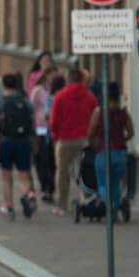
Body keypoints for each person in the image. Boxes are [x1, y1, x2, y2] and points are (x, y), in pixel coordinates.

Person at [0, 73, 36, 220]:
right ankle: (28, 195)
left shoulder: (0, 102)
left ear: (4, 84)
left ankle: (9, 206)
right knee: (24, 176)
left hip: (6, 142)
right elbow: (33, 124)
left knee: (6, 177)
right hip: (23, 142)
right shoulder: (26, 101)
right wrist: (33, 143)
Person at [49, 67, 98, 216]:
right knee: (83, 173)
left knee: (62, 173)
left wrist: (55, 136)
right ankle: (85, 201)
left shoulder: (60, 96)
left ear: (68, 79)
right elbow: (95, 118)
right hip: (84, 140)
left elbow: (53, 120)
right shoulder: (90, 96)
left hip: (64, 140)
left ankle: (62, 206)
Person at [87, 82, 134, 219]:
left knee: (102, 182)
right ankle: (114, 209)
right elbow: (131, 132)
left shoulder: (99, 112)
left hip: (104, 151)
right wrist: (122, 140)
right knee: (115, 183)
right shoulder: (124, 113)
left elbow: (90, 132)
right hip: (120, 153)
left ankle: (107, 207)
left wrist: (93, 144)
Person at [29, 64, 57, 202]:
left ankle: (50, 188)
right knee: (41, 160)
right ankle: (44, 186)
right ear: (45, 76)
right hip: (41, 129)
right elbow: (31, 109)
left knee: (52, 160)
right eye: (51, 75)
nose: (53, 78)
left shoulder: (59, 90)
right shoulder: (38, 90)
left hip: (54, 130)